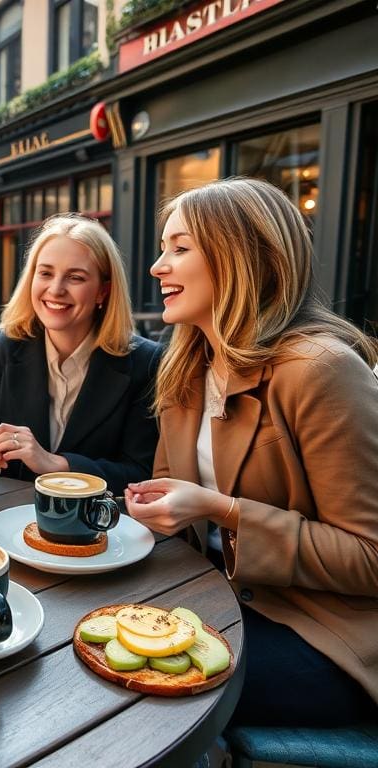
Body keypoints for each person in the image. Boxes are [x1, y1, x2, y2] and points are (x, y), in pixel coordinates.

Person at [125, 177, 378, 727]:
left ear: (243, 257)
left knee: (139, 693)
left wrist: (223, 510)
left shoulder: (321, 370)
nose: (157, 267)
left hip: (324, 631)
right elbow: (171, 496)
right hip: (215, 596)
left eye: (179, 248)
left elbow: (370, 556)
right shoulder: (186, 364)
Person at [0, 215, 161, 494]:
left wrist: (55, 464)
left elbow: (141, 473)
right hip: (8, 512)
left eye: (75, 277)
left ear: (103, 291)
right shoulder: (8, 344)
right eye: (45, 273)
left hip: (94, 518)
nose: (56, 289)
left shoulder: (145, 362)